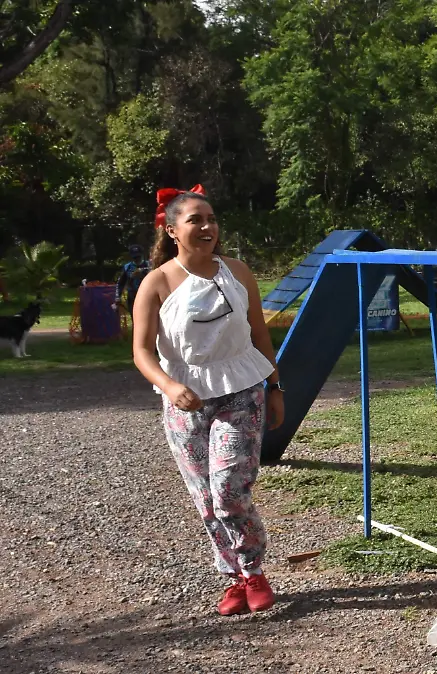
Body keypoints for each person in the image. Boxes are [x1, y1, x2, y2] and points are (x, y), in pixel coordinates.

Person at [131, 184, 285, 615]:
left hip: (242, 390)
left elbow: (259, 333)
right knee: (205, 498)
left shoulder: (238, 271)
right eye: (195, 219)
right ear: (173, 230)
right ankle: (236, 577)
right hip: (186, 401)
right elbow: (141, 350)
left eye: (211, 218)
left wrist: (276, 387)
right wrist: (169, 385)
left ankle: (254, 569)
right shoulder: (156, 282)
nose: (207, 226)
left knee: (229, 489)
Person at [114, 244, 150, 318]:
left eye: (138, 257)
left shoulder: (149, 265)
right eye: (135, 257)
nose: (137, 259)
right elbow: (120, 283)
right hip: (132, 297)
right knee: (135, 318)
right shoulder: (127, 267)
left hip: (147, 296)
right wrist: (117, 297)